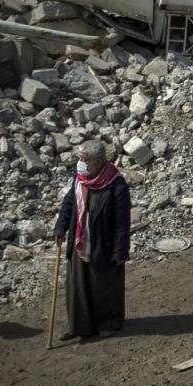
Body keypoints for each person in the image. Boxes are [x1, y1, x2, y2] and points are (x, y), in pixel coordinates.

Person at [53, 140, 131, 339]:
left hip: (103, 242)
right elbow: (69, 202)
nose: (80, 163)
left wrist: (120, 250)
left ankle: (107, 322)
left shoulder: (116, 183)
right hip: (80, 239)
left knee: (103, 285)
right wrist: (61, 226)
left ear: (98, 162)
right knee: (78, 285)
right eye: (79, 158)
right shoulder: (79, 178)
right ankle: (79, 326)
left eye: (85, 160)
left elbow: (122, 221)